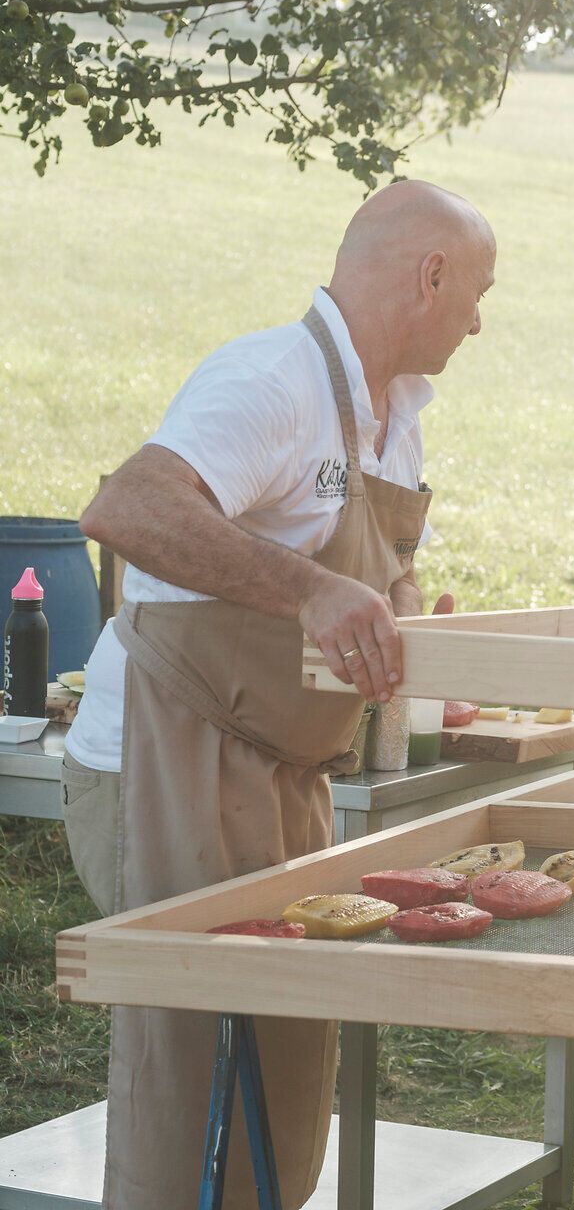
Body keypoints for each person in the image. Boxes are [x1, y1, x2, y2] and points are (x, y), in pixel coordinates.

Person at [66, 180, 495, 1209]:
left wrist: (406, 628)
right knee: (190, 1060)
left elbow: (381, 570)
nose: (480, 322)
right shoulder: (272, 379)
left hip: (287, 770)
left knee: (287, 1042)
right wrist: (311, 590)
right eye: (479, 294)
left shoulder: (396, 415)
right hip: (167, 759)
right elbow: (126, 507)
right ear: (431, 275)